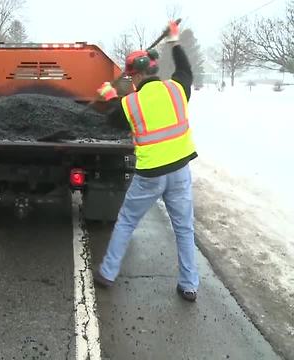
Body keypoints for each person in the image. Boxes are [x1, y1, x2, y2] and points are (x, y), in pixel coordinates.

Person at [94, 20, 199, 302]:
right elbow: (186, 70)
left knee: (127, 221)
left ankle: (107, 272)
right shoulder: (177, 89)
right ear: (154, 70)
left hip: (150, 174)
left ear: (134, 77)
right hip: (179, 171)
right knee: (184, 229)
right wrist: (174, 41)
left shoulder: (130, 103)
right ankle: (189, 285)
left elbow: (111, 121)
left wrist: (109, 96)